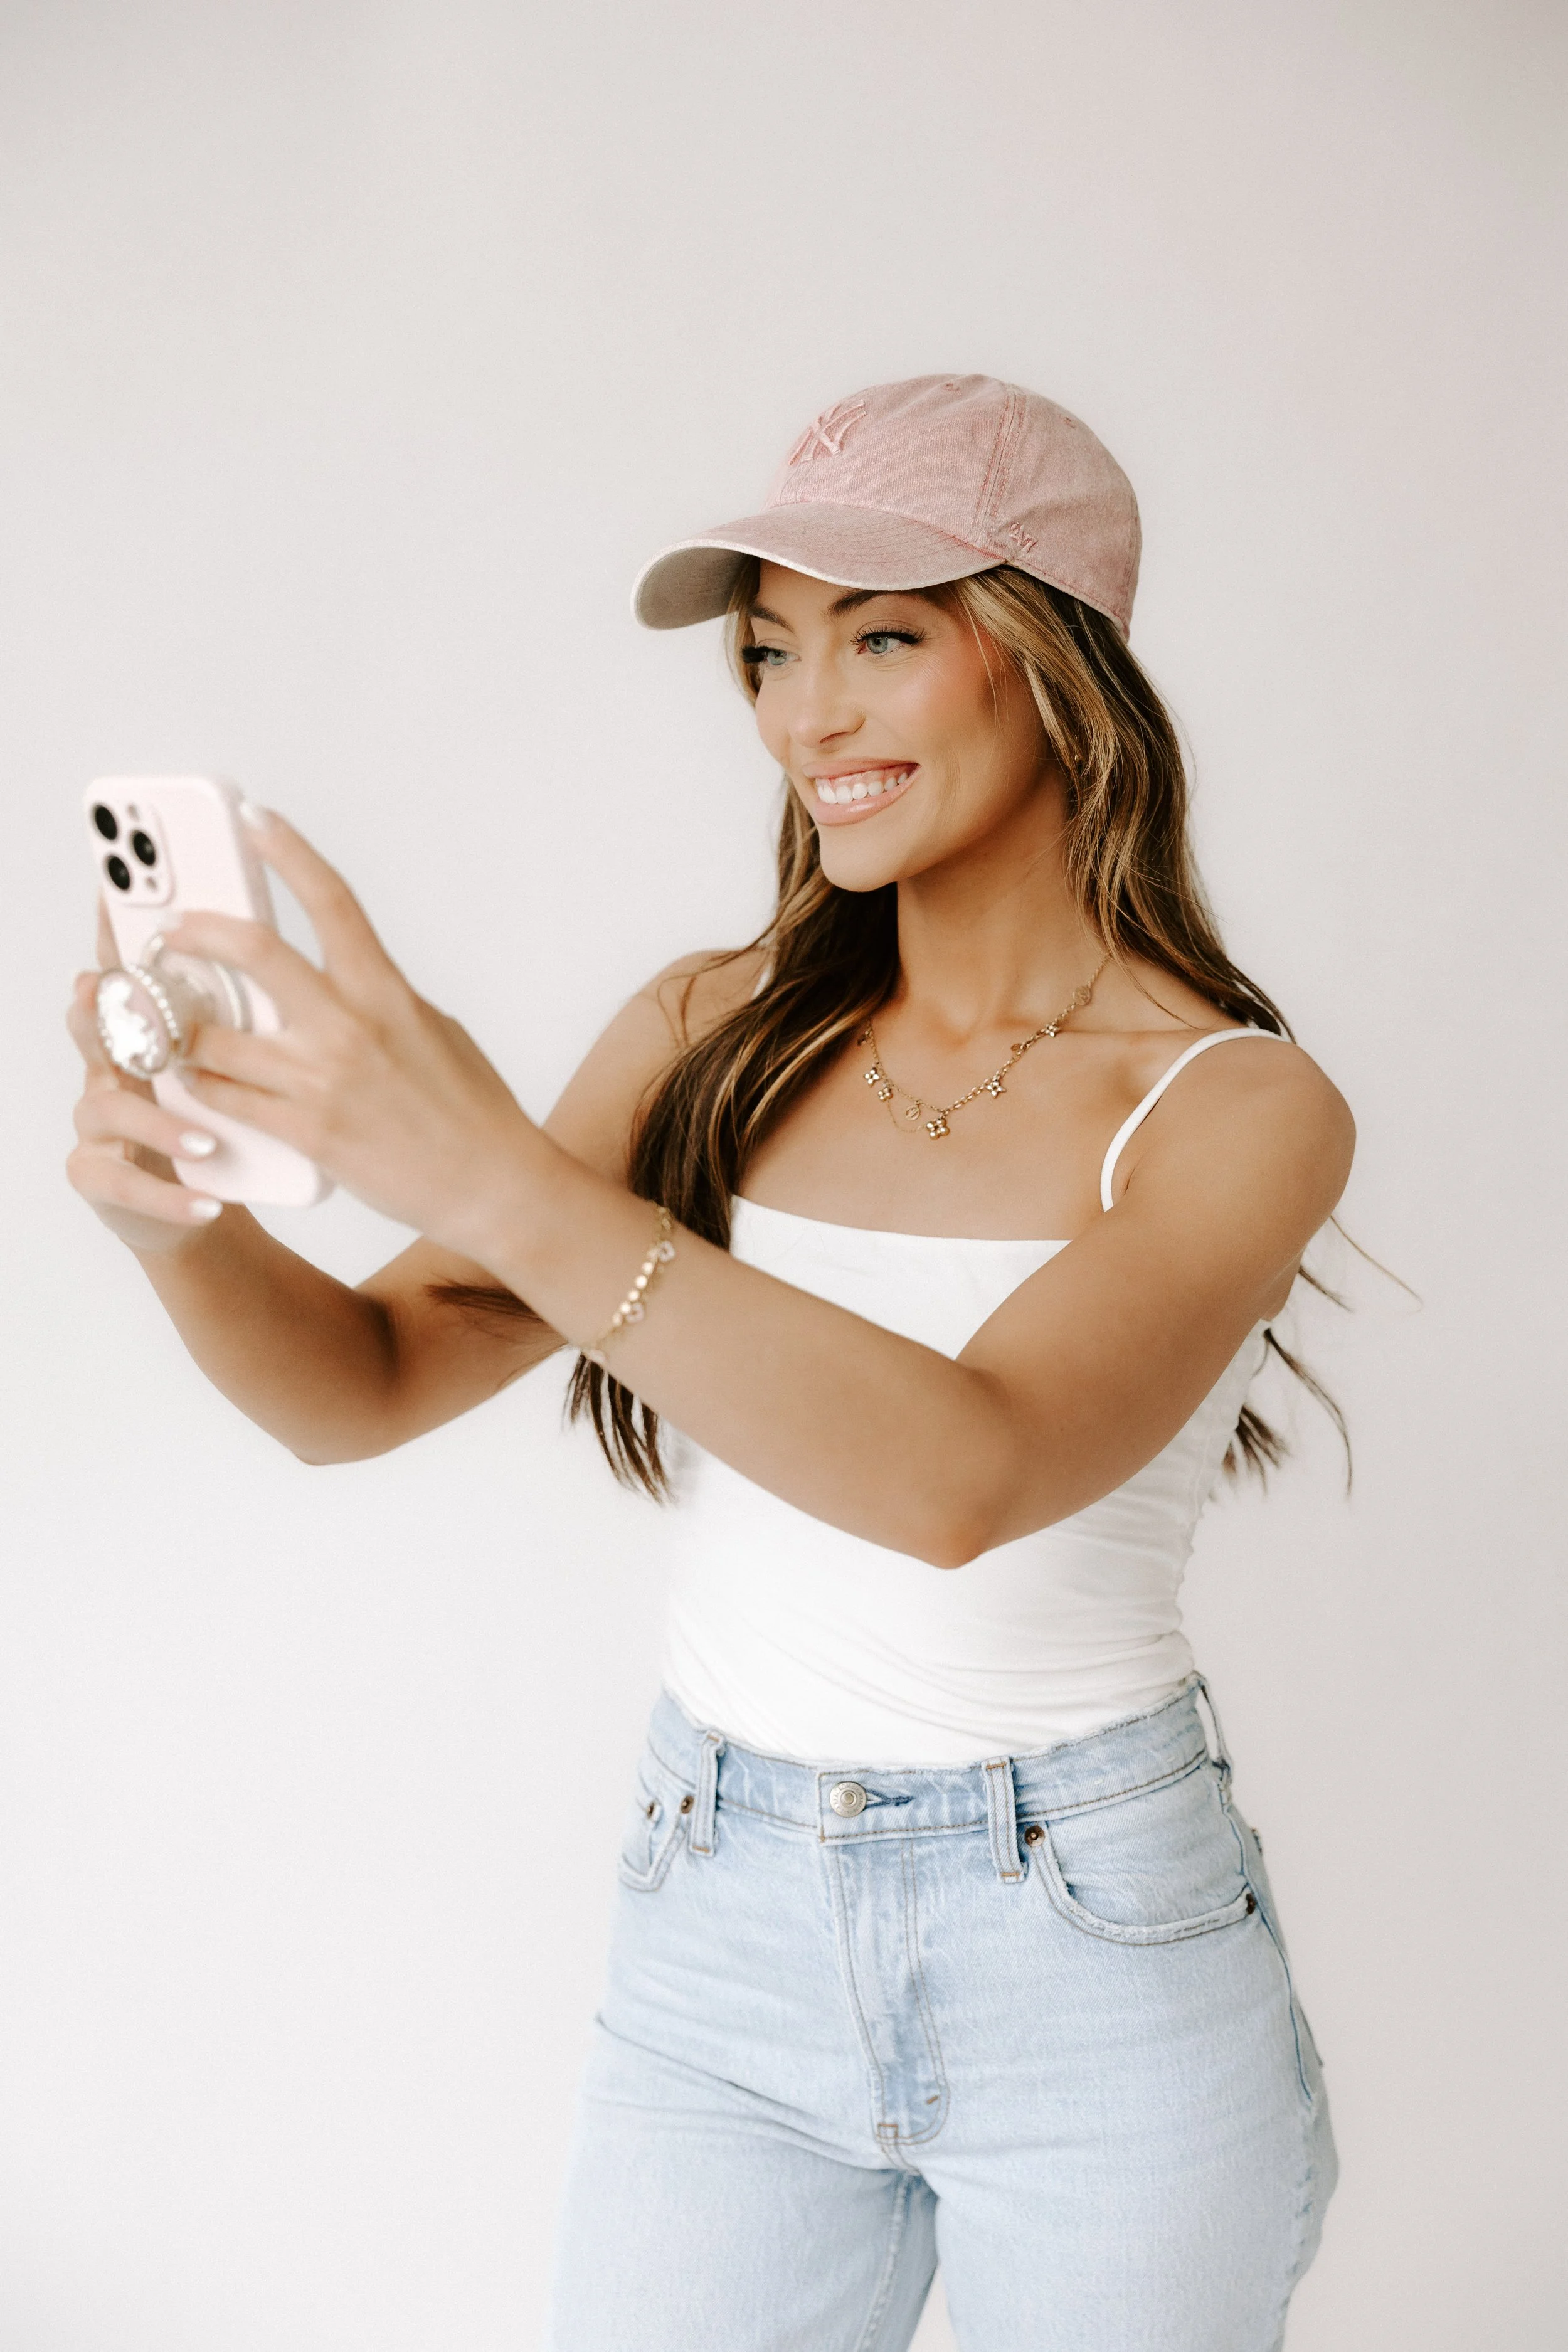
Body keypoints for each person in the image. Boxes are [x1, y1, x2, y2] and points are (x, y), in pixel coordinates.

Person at [66, 375, 1350, 2351]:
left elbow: (963, 1471)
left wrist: (495, 1172)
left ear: (1052, 656)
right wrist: (179, 1222)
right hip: (719, 1921)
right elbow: (365, 1383)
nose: (801, 713)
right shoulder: (713, 1035)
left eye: (879, 636)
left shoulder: (1229, 1105)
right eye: (766, 653)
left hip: (1091, 1951)